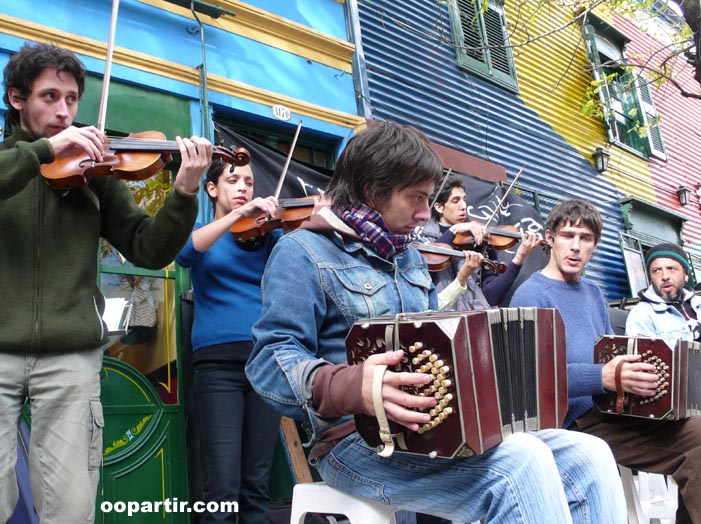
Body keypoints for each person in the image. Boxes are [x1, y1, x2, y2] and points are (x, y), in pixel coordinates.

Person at [245, 121, 626, 523]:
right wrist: (352, 385)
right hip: (354, 442)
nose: (427, 213)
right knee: (521, 462)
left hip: (433, 431)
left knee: (589, 454)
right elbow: (268, 360)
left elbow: (440, 345)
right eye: (417, 198)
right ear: (374, 192)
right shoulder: (301, 252)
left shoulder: (409, 257)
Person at [0, 43, 212, 523]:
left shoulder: (93, 176)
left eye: (72, 99)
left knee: (70, 506)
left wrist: (183, 193)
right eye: (49, 97)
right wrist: (41, 153)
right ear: (17, 98)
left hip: (71, 357)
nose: (64, 112)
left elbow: (148, 248)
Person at [510, 199, 701, 524]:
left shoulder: (593, 292)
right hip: (571, 422)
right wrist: (604, 377)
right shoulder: (530, 296)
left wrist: (639, 378)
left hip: (612, 410)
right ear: (549, 238)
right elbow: (531, 379)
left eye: (585, 239)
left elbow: (607, 355)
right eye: (568, 235)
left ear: (595, 246)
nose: (575, 246)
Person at [176, 157, 281, 523]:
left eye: (249, 183)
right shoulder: (207, 232)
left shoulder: (268, 237)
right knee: (221, 486)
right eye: (233, 180)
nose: (243, 188)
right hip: (217, 369)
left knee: (256, 483)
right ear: (212, 189)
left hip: (263, 367)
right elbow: (185, 254)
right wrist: (237, 217)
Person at [418, 174, 543, 310]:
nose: (463, 206)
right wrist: (454, 230)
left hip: (474, 320)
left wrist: (518, 259)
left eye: (464, 200)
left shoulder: (480, 241)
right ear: (439, 207)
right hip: (438, 318)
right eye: (456, 201)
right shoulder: (423, 236)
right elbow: (423, 266)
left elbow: (492, 296)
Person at [626, 242, 701, 341]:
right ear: (650, 278)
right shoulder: (642, 315)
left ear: (686, 275)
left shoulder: (698, 303)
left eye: (672, 269)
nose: (665, 276)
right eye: (656, 270)